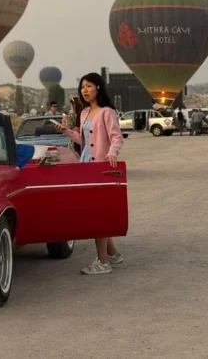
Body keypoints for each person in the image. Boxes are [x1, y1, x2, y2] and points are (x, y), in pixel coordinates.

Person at [53, 73, 124, 275]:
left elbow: (117, 137)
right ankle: (113, 254)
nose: (84, 90)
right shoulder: (84, 113)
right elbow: (81, 138)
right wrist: (65, 131)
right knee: (96, 214)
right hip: (85, 165)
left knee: (98, 216)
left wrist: (112, 152)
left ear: (98, 88)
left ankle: (102, 262)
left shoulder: (107, 112)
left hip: (100, 167)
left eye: (89, 86)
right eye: (82, 86)